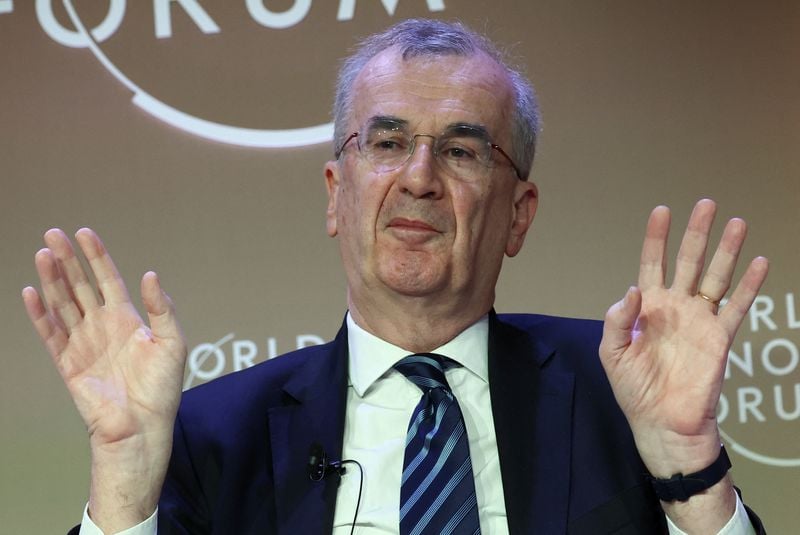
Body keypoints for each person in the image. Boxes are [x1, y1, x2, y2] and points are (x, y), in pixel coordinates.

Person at [23, 19, 768, 535]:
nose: (419, 177)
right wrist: (124, 479)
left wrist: (689, 465)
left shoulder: (618, 391)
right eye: (386, 143)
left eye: (462, 151)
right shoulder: (214, 435)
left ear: (518, 214)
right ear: (335, 194)